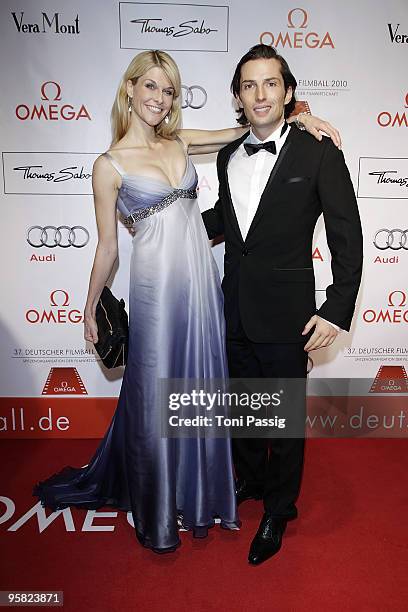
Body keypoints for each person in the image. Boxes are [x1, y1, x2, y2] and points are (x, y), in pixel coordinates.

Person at [33, 50, 342, 554]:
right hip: (154, 288)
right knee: (157, 391)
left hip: (202, 286)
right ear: (130, 89)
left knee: (206, 390)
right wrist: (89, 306)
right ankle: (156, 503)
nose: (159, 98)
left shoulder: (182, 142)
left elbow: (251, 129)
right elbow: (108, 247)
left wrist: (299, 115)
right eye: (151, 87)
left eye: (169, 90)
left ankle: (223, 492)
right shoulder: (107, 165)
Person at [202, 44, 363, 565]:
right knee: (246, 408)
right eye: (249, 86)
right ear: (238, 96)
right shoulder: (228, 156)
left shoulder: (318, 150)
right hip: (236, 309)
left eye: (270, 83)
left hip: (290, 312)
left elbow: (346, 234)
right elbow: (228, 223)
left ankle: (279, 509)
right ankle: (250, 478)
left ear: (288, 91)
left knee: (284, 419)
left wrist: (337, 309)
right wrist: (167, 219)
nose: (260, 94)